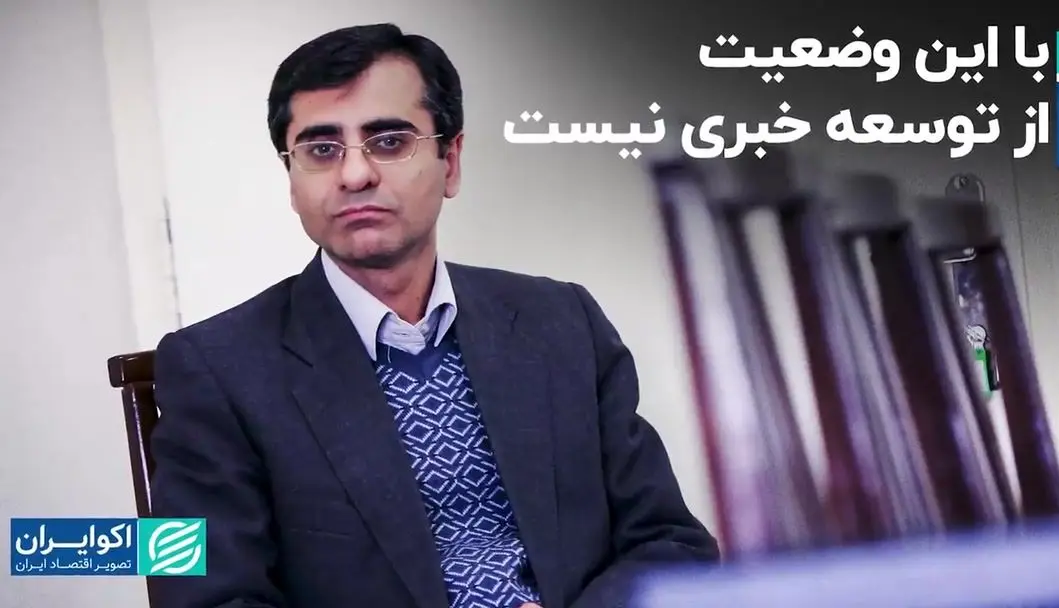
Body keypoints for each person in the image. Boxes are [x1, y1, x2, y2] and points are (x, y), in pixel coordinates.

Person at [148, 22, 719, 608]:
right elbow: (202, 598)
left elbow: (671, 542)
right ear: (291, 181)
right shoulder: (213, 370)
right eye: (321, 150)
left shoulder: (563, 322)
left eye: (389, 141)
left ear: (451, 160)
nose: (355, 175)